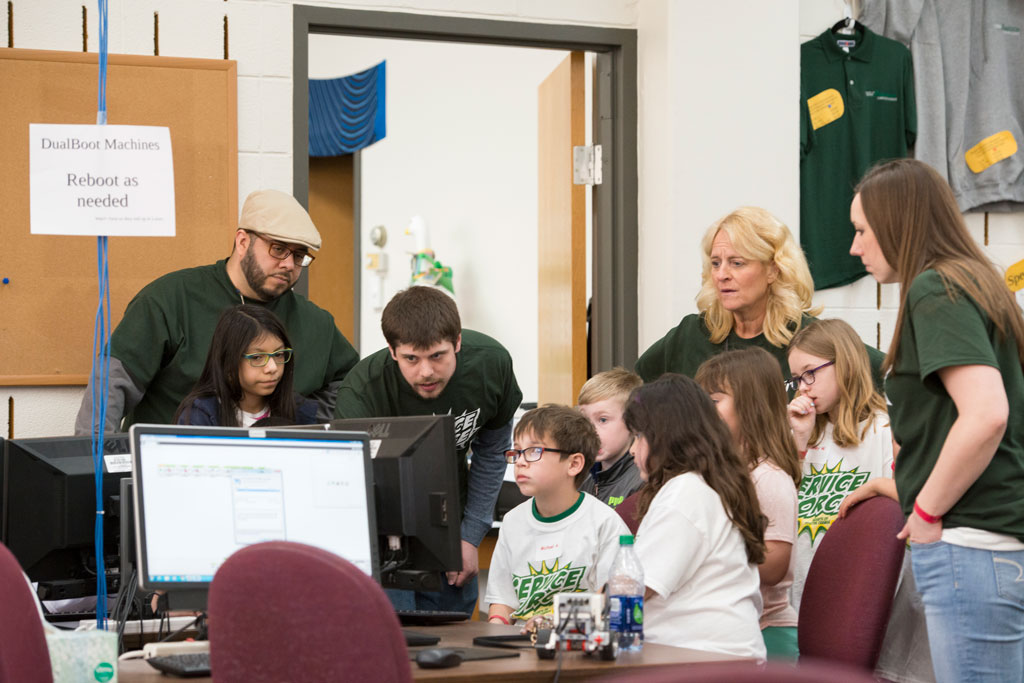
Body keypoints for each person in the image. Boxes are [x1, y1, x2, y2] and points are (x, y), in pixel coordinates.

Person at [850, 158, 1024, 683]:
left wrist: (925, 512)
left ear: (898, 223)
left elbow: (987, 414)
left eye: (862, 230)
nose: (855, 247)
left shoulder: (935, 289)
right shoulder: (974, 281)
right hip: (989, 543)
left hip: (968, 541)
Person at [74, 189, 359, 435]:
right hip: (174, 469)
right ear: (242, 241)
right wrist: (94, 466)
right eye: (278, 249)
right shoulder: (171, 299)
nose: (289, 264)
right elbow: (111, 387)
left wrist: (310, 431)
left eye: (299, 256)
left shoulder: (316, 323)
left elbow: (351, 387)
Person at [334, 286, 522, 614]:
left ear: (458, 343)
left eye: (438, 356)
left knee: (454, 645)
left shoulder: (491, 364)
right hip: (382, 541)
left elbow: (492, 451)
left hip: (451, 526)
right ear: (392, 351)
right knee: (396, 643)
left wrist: (469, 536)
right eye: (411, 358)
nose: (426, 372)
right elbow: (352, 491)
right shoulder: (362, 391)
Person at [634, 206, 884, 386]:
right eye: (715, 263)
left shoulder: (811, 339)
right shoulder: (690, 335)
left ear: (773, 270)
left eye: (737, 263)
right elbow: (630, 390)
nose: (722, 275)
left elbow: (890, 375)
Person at [624, 373, 767, 660]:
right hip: (708, 656)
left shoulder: (685, 493)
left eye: (639, 436)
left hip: (702, 659)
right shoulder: (707, 484)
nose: (631, 450)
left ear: (666, 436)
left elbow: (634, 591)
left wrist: (567, 621)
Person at [695, 348, 801, 659]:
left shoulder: (768, 478)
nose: (702, 411)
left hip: (766, 633)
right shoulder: (719, 475)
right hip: (730, 631)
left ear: (750, 406)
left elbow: (774, 568)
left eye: (713, 401)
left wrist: (707, 551)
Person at [783, 318, 894, 613]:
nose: (803, 388)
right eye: (796, 378)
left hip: (860, 595)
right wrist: (799, 441)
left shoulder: (882, 430)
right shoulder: (798, 430)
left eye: (810, 374)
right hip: (802, 591)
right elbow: (778, 506)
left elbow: (912, 500)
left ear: (844, 364)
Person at [485, 404, 628, 626]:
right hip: (522, 647)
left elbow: (614, 601)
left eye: (534, 451)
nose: (521, 461)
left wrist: (554, 621)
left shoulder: (604, 523)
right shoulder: (513, 521)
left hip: (580, 646)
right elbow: (502, 602)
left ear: (573, 464)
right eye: (517, 451)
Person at [173, 305, 318, 427]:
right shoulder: (200, 415)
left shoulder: (301, 411)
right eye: (257, 357)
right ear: (228, 362)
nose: (272, 367)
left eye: (279, 354)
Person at [577, 368, 645, 508]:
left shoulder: (642, 482)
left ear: (633, 421)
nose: (589, 431)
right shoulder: (580, 477)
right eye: (584, 420)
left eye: (602, 420)